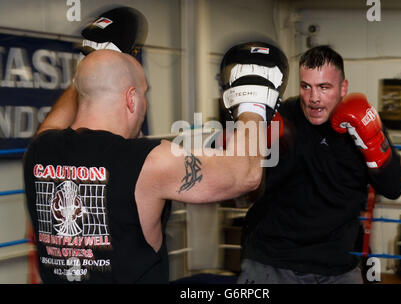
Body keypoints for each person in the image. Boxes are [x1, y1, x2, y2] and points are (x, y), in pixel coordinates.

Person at [23, 49, 265, 283]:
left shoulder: (38, 150)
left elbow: (72, 101)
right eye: (144, 93)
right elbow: (245, 174)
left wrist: (96, 58)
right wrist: (252, 102)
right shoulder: (148, 160)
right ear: (131, 98)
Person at [237, 45, 401, 284]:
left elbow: (394, 187)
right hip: (272, 262)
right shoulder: (279, 117)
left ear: (343, 88)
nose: (313, 98)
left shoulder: (362, 124)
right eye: (306, 86)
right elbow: (242, 184)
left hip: (337, 267)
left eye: (324, 87)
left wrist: (373, 143)